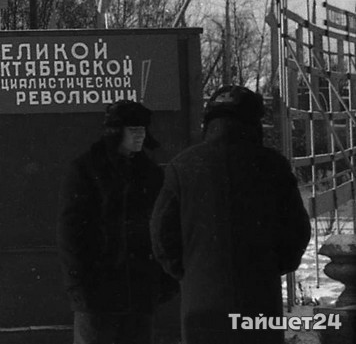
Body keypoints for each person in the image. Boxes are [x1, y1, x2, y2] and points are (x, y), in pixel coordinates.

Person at [151, 85, 311, 344]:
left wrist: (187, 270)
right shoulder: (272, 165)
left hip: (201, 302)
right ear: (254, 122)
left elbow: (161, 232)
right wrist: (274, 266)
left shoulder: (183, 166)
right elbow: (297, 229)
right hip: (259, 298)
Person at [57, 100, 177, 344]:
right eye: (133, 129)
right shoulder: (87, 170)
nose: (140, 135)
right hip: (100, 291)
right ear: (115, 132)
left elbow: (162, 228)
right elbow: (71, 232)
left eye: (142, 129)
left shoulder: (150, 173)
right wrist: (79, 284)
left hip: (134, 292)